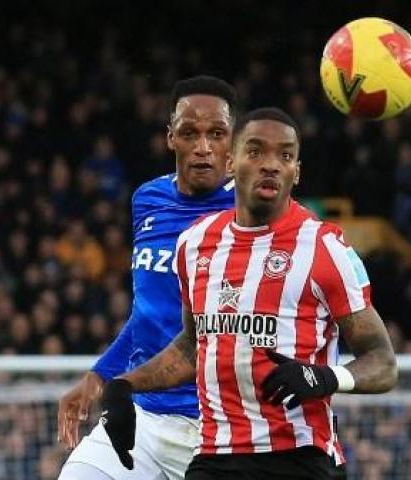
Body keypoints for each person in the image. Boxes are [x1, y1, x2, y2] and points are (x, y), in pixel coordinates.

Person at [99, 108, 398, 479]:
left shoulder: (325, 247)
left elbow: (383, 362)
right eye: (256, 152)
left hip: (299, 457)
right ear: (230, 162)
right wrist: (124, 385)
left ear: (297, 172)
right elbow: (195, 345)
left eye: (285, 155)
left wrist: (326, 377)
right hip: (215, 456)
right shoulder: (194, 243)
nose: (271, 165)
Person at [57, 75, 238, 480]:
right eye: (190, 132)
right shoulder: (148, 199)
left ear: (233, 144)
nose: (203, 147)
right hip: (143, 417)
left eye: (217, 134)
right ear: (171, 137)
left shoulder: (253, 211)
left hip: (219, 428)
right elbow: (148, 313)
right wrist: (99, 374)